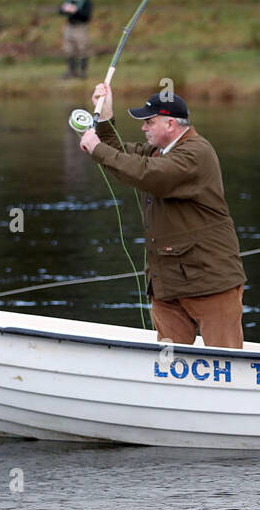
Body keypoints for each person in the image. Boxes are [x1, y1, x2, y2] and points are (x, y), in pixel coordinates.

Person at [78, 83, 246, 348]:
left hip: (211, 283)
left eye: (149, 122)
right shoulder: (160, 152)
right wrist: (107, 117)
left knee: (225, 364)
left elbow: (149, 174)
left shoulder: (196, 153)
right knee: (169, 367)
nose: (144, 128)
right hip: (167, 285)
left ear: (170, 124)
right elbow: (121, 153)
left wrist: (97, 148)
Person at [58, 0, 93, 79]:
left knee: (82, 48)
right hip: (70, 27)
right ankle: (71, 71)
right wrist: (64, 9)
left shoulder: (86, 0)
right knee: (69, 49)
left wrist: (76, 11)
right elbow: (60, 11)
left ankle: (83, 71)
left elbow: (86, 16)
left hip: (80, 27)